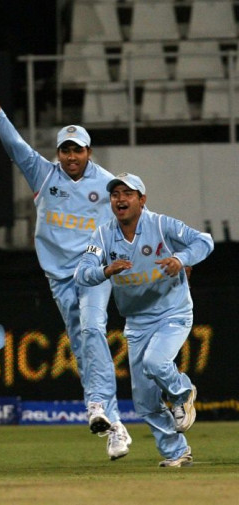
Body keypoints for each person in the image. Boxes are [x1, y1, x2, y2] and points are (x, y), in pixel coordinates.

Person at [0, 65, 132, 459]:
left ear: (88, 152)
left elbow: (134, 218)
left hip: (94, 272)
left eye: (77, 150)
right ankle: (115, 426)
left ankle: (96, 407)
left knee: (94, 331)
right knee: (82, 346)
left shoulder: (110, 184)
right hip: (60, 278)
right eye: (65, 150)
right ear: (58, 152)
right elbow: (15, 147)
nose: (71, 156)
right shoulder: (45, 175)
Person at [75, 173, 213, 467]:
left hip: (172, 313)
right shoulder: (103, 235)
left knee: (155, 363)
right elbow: (81, 272)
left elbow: (205, 241)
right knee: (145, 403)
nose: (120, 199)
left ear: (142, 199)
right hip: (137, 322)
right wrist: (105, 271)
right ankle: (177, 453)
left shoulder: (162, 225)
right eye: (115, 194)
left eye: (128, 193)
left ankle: (183, 392)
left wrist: (182, 259)